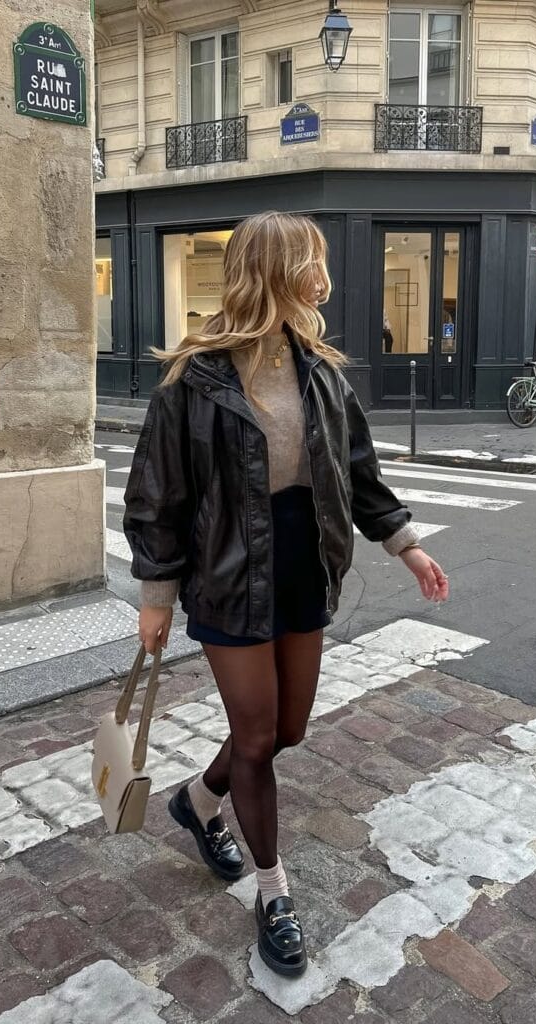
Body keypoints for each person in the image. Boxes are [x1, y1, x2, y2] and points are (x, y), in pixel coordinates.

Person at [123, 211, 450, 979]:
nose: (324, 277)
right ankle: (273, 891)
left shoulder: (321, 371)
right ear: (275, 270)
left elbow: (357, 472)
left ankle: (198, 802)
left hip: (304, 561)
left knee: (284, 730)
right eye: (312, 262)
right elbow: (157, 492)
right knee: (258, 740)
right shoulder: (193, 378)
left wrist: (406, 545)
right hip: (228, 571)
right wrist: (156, 594)